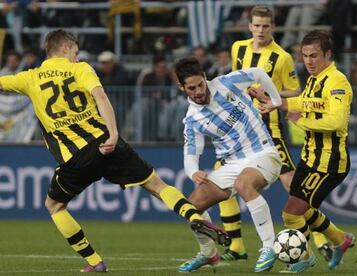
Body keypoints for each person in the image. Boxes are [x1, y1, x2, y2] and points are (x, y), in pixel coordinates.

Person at [0, 29, 228, 273]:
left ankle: (94, 260)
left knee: (54, 206)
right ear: (65, 48)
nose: (77, 58)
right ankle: (194, 217)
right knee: (157, 186)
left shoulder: (30, 77)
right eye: (75, 52)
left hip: (75, 157)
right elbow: (100, 96)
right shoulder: (81, 69)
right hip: (106, 143)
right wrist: (113, 132)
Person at [217, 5, 333, 263]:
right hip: (242, 128)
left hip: (270, 128)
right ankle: (236, 245)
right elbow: (235, 79)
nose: (260, 30)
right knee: (220, 178)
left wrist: (267, 93)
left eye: (265, 26)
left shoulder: (281, 57)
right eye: (256, 25)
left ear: (273, 27)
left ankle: (322, 235)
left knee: (291, 184)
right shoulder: (238, 48)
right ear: (249, 26)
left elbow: (295, 91)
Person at [253, 30, 355, 273]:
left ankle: (306, 257)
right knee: (303, 209)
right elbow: (305, 102)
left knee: (291, 214)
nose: (308, 61)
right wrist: (274, 100)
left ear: (328, 55)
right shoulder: (313, 79)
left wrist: (299, 121)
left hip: (329, 163)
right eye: (305, 55)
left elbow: (336, 122)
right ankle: (340, 239)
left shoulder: (337, 81)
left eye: (314, 55)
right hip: (310, 158)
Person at [174, 57, 282, 273]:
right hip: (232, 164)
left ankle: (269, 247)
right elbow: (190, 156)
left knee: (244, 184)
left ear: (205, 78)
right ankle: (208, 253)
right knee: (190, 206)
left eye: (200, 84)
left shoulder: (227, 83)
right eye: (191, 88)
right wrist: (193, 172)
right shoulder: (192, 119)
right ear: (182, 87)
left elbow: (259, 73)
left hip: (263, 153)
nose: (198, 91)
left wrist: (276, 101)